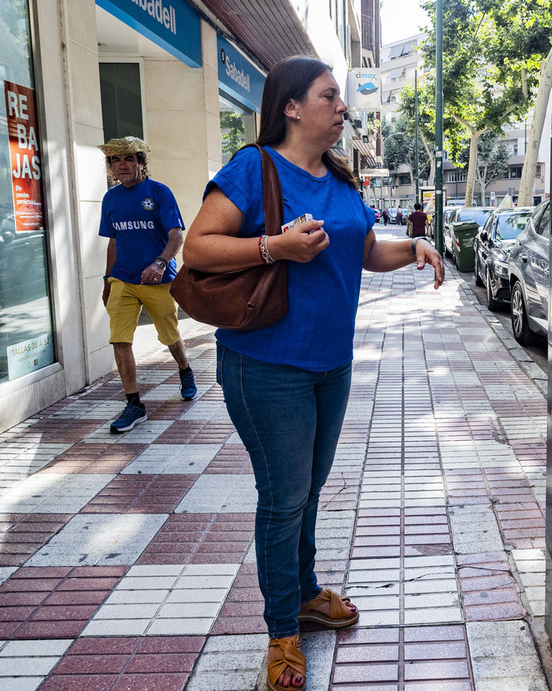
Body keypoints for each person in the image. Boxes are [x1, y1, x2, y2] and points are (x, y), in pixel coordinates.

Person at [183, 56, 444, 691]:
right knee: (282, 498)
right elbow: (198, 248)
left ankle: (303, 592)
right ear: (291, 107)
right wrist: (277, 245)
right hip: (267, 364)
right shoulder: (255, 168)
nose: (343, 107)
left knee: (307, 490)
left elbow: (362, 252)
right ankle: (281, 632)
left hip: (332, 364)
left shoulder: (340, 177)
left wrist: (411, 249)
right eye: (330, 96)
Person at [98, 136, 197, 433]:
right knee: (120, 339)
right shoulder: (111, 199)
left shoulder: (159, 192)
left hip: (159, 279)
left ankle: (185, 370)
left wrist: (160, 263)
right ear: (111, 168)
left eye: (129, 159)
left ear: (142, 163)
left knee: (169, 335)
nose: (122, 165)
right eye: (116, 160)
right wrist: (107, 279)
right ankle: (134, 403)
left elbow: (176, 236)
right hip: (123, 279)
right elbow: (114, 241)